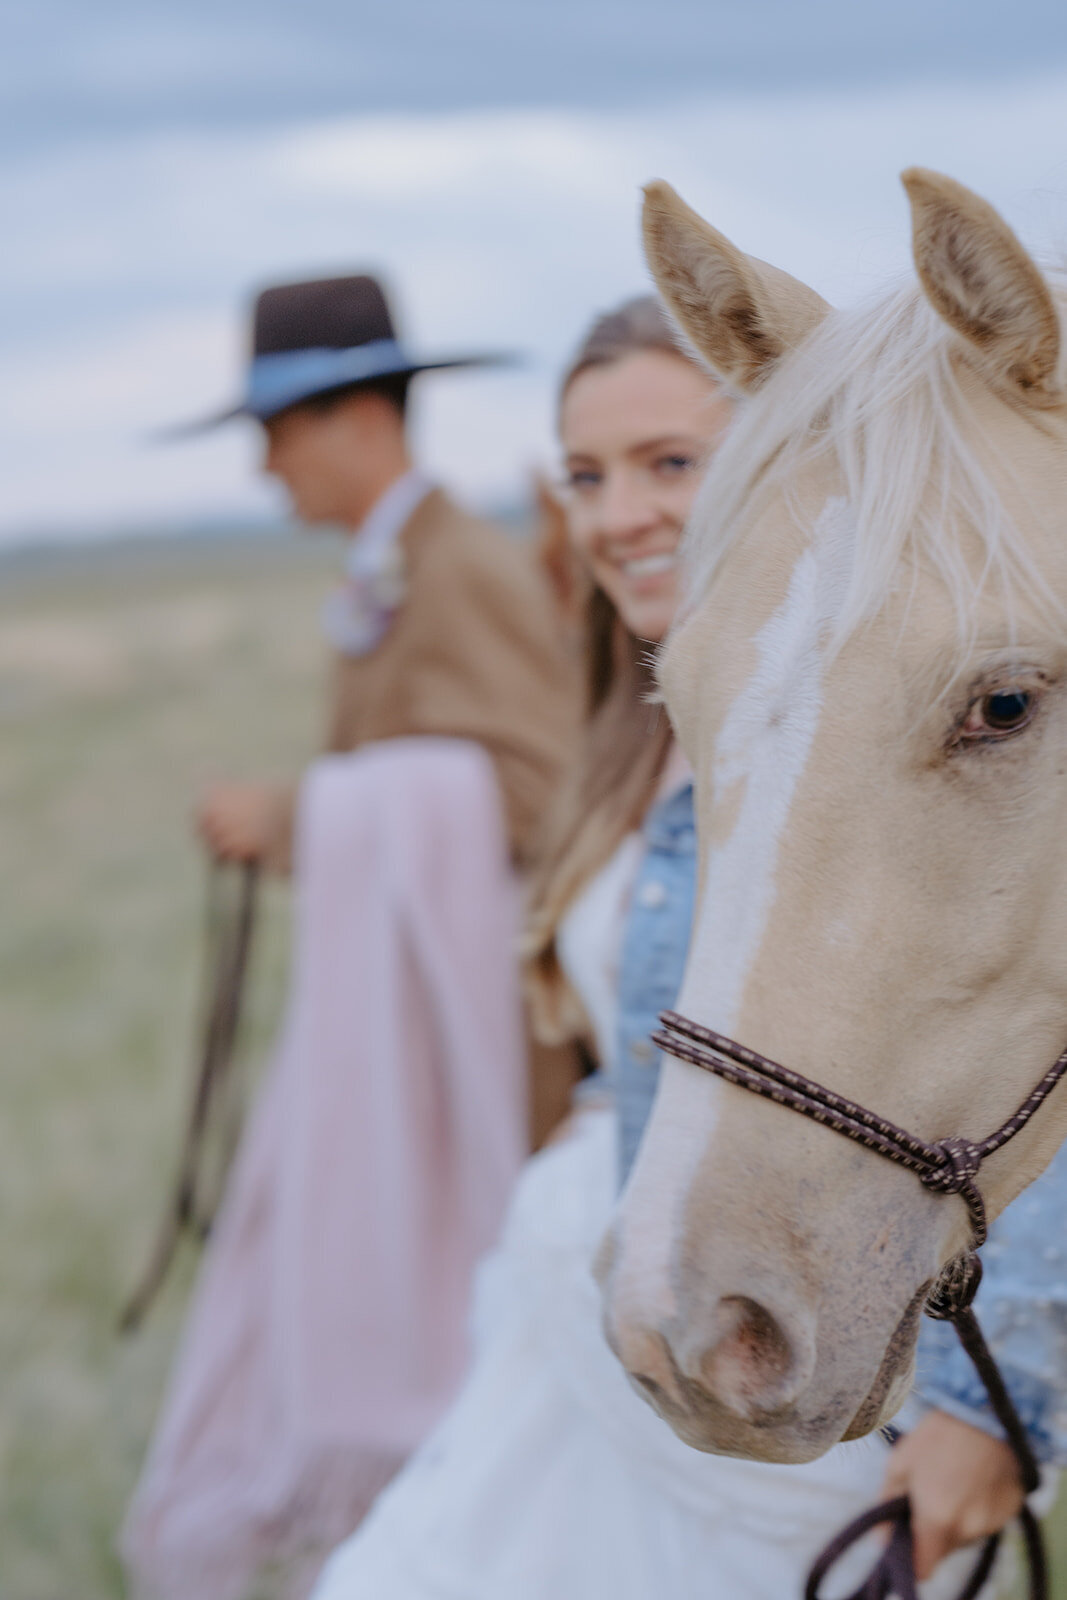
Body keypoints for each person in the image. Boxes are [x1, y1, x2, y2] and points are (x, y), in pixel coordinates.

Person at [311, 295, 1061, 1600]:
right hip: (586, 1318)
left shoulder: (883, 744)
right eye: (585, 476)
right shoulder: (642, 725)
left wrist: (990, 1405)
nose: (619, 514)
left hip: (808, 1344)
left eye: (671, 462)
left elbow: (993, 1034)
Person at [188, 272, 576, 874]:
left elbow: (543, 795)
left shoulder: (461, 568)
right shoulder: (409, 560)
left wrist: (293, 820)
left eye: (277, 434)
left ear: (365, 419)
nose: (265, 467)